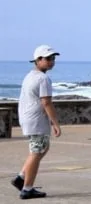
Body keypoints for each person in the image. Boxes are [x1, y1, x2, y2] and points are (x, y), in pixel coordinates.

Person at [12, 45, 62, 200]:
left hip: (27, 118)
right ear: (38, 60)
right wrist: (55, 123)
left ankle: (21, 177)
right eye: (47, 59)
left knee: (42, 148)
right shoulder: (43, 78)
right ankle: (27, 188)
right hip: (36, 120)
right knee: (37, 152)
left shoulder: (30, 75)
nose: (51, 61)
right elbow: (46, 102)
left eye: (53, 58)